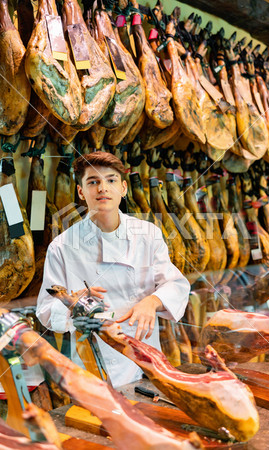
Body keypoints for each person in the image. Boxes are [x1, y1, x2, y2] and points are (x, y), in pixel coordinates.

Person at [36, 151, 190, 387]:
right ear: (81, 191)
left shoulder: (148, 234)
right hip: (94, 365)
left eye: (110, 180)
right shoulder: (62, 246)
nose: (102, 188)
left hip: (148, 360)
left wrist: (152, 302)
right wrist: (72, 304)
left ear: (124, 188)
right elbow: (45, 310)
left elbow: (176, 284)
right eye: (93, 182)